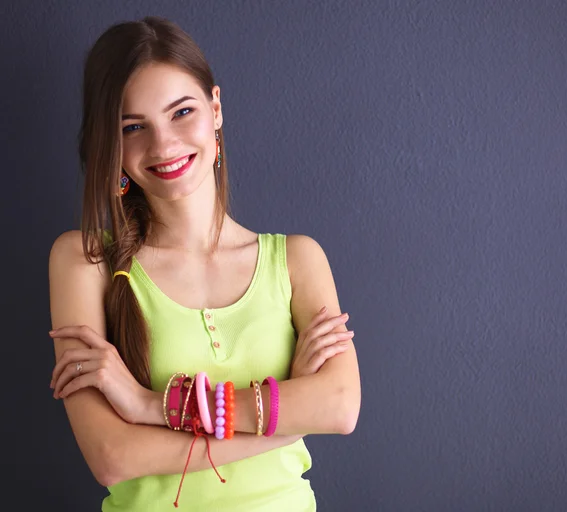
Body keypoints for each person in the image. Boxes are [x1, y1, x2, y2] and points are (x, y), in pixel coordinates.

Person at [48, 16, 361, 512]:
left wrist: (154, 406)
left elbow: (341, 408)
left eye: (182, 112)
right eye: (133, 127)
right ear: (113, 145)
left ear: (216, 109)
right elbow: (112, 457)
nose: (163, 145)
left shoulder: (298, 259)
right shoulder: (85, 260)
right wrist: (289, 414)